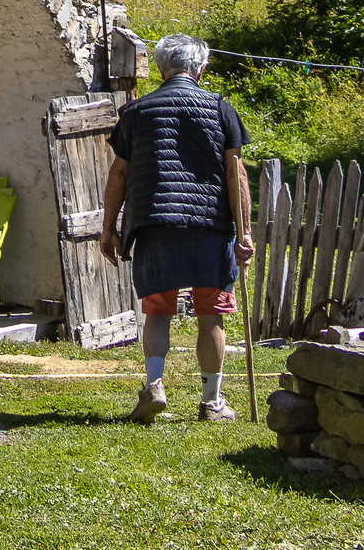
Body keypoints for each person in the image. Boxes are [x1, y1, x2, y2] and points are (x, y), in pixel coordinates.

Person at [98, 32, 253, 425]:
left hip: (154, 223)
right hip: (209, 225)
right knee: (211, 315)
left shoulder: (136, 112)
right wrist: (245, 232)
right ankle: (212, 401)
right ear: (200, 68)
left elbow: (119, 173)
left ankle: (155, 386)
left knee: (158, 312)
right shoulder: (219, 108)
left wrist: (108, 228)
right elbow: (236, 174)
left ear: (162, 70)